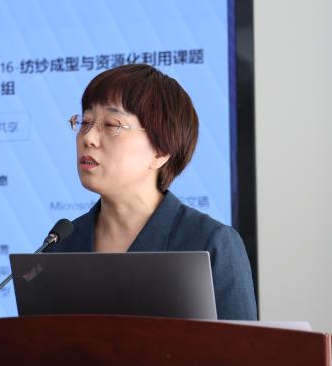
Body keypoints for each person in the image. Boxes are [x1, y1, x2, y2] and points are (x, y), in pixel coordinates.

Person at [47, 64, 257, 320]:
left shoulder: (210, 244)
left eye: (111, 124)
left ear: (160, 151)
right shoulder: (61, 245)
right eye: (85, 122)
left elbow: (242, 346)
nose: (88, 138)